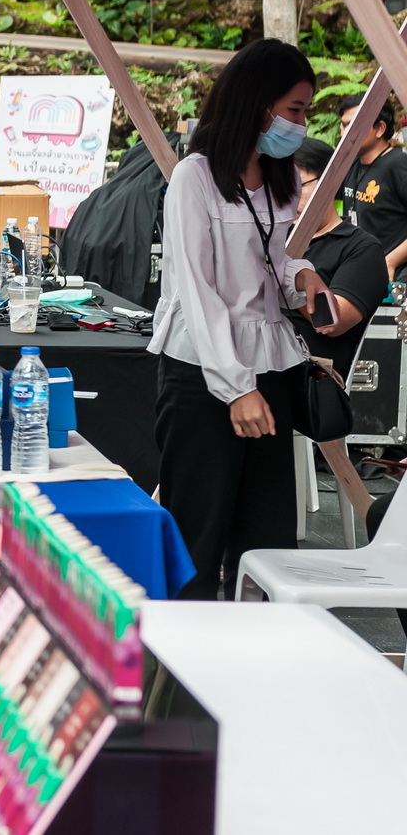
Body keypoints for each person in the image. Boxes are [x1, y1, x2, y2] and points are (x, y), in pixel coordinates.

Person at [150, 38, 336, 602]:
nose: (301, 125)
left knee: (268, 537)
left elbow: (268, 264)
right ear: (257, 104)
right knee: (196, 538)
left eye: (304, 111)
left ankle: (257, 662)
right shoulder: (195, 178)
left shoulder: (281, 181)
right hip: (206, 374)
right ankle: (179, 679)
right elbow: (197, 290)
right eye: (295, 110)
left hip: (271, 370)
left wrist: (300, 276)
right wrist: (233, 388)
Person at [291, 137, 388, 379]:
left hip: (312, 381)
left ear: (330, 184)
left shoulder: (361, 248)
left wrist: (283, 275)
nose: (286, 196)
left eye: (297, 185)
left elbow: (331, 321)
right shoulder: (273, 240)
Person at [337, 93, 407, 280]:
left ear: (380, 128)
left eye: (353, 125)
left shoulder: (399, 165)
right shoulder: (352, 165)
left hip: (396, 278)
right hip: (363, 272)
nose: (345, 133)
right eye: (343, 125)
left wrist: (391, 261)